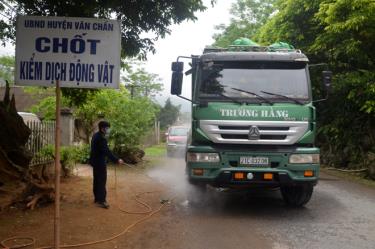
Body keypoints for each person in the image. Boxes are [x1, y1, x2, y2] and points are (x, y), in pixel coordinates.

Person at [89, 121, 123, 208]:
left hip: (95, 162)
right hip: (100, 163)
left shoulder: (95, 135)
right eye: (107, 128)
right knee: (101, 181)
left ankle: (97, 199)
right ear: (102, 128)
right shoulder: (101, 138)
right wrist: (117, 160)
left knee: (97, 180)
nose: (108, 130)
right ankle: (101, 201)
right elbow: (107, 151)